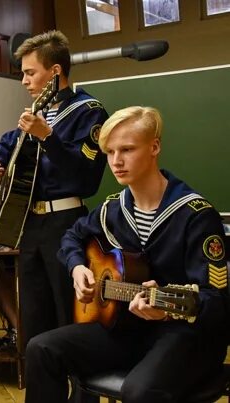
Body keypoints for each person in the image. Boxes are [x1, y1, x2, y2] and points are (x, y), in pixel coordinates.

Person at [25, 106, 229, 403]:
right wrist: (77, 268)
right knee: (40, 349)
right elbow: (71, 236)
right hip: (128, 328)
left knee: (139, 391)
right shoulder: (112, 210)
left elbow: (219, 301)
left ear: (154, 147)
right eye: (109, 152)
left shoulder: (195, 215)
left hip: (184, 335)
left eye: (127, 150)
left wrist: (166, 306)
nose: (116, 162)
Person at [0, 30, 109, 348]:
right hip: (30, 226)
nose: (24, 80)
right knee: (34, 317)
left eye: (30, 72)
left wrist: (48, 137)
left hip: (66, 224)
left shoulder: (89, 112)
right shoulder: (36, 112)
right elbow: (7, 143)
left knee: (69, 313)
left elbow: (84, 178)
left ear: (54, 72)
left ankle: (81, 394)